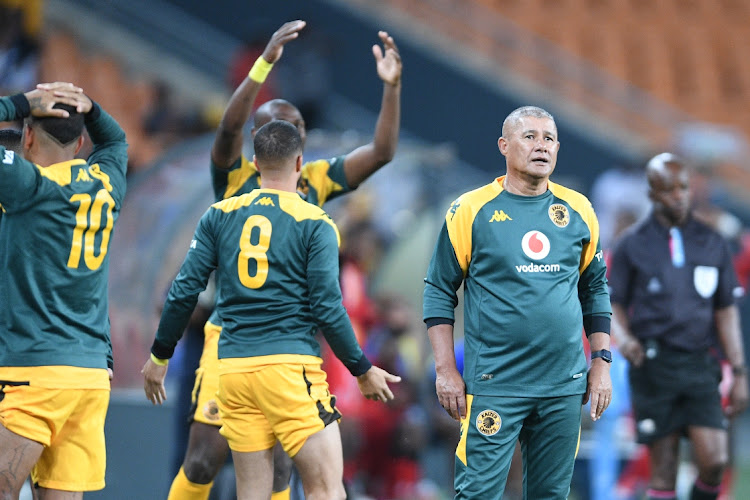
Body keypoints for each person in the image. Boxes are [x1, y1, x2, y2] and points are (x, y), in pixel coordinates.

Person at [162, 19, 402, 500]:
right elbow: (228, 126)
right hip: (229, 337)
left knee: (276, 472)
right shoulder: (234, 178)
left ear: (304, 138)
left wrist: (392, 88)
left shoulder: (314, 179)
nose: (284, 132)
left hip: (291, 344)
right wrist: (263, 63)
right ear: (254, 138)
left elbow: (380, 152)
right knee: (205, 458)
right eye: (272, 125)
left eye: (293, 127)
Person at [422, 105, 613, 499]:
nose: (540, 145)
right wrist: (445, 369)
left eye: (548, 138)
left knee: (551, 495)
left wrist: (601, 362)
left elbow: (594, 288)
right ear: (504, 146)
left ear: (558, 148)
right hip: (495, 383)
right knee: (477, 493)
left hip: (563, 385)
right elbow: (439, 289)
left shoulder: (579, 211)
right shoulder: (470, 210)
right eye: (529, 137)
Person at [0, 82, 128, 499]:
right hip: (89, 377)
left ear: (29, 136)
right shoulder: (106, 185)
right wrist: (89, 106)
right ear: (79, 145)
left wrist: (19, 104)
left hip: (35, 372)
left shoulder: (28, 186)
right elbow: (117, 139)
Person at [608, 152, 749, 500]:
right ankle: (622, 489)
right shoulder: (635, 244)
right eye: (669, 188)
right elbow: (611, 302)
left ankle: (712, 490)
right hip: (652, 361)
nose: (680, 194)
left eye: (684, 187)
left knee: (714, 457)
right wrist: (623, 340)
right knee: (663, 461)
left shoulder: (712, 240)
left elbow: (727, 308)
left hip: (704, 361)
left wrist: (739, 369)